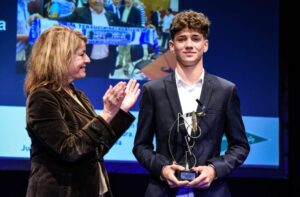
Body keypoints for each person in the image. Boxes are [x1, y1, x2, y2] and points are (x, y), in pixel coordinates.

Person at [133, 10, 250, 197]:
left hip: (212, 192)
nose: (189, 45)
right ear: (172, 46)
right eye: (182, 39)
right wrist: (162, 169)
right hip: (163, 191)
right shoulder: (153, 90)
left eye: (195, 38)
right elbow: (141, 146)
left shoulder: (225, 90)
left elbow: (240, 145)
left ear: (205, 45)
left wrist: (214, 169)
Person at [24, 25, 140, 197]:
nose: (88, 59)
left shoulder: (78, 95)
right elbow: (69, 150)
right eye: (81, 54)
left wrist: (121, 111)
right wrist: (107, 114)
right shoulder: (42, 97)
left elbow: (96, 149)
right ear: (60, 57)